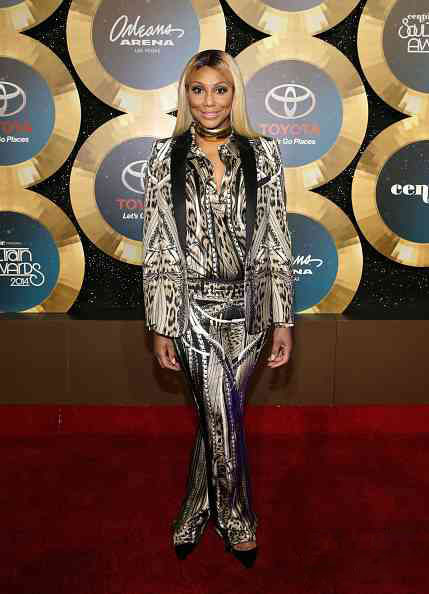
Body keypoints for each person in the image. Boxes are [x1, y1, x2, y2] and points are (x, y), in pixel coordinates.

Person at [142, 49, 294, 568]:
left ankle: (193, 506)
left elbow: (275, 238)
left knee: (220, 416)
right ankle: (236, 517)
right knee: (220, 412)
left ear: (235, 95)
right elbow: (159, 245)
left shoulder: (264, 154)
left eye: (220, 89)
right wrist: (162, 324)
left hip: (250, 312)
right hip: (192, 312)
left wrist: (282, 318)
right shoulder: (164, 157)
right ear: (186, 95)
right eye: (198, 89)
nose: (209, 101)